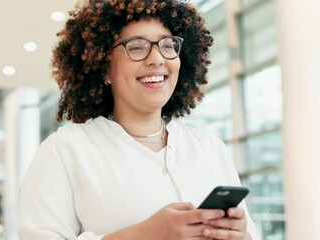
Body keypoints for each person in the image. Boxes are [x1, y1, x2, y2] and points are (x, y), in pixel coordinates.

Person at [18, 0, 259, 239]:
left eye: (167, 45)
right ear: (103, 68)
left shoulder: (210, 149)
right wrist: (144, 234)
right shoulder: (64, 151)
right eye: (136, 47)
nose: (157, 59)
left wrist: (240, 237)